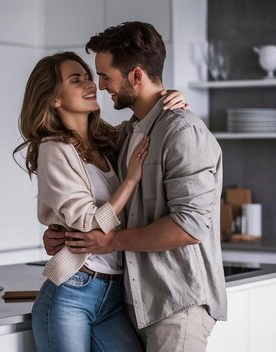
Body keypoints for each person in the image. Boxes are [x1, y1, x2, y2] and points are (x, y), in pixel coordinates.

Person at [43, 22, 227, 352]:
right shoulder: (128, 134)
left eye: (104, 76)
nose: (99, 86)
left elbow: (190, 226)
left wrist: (110, 241)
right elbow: (91, 194)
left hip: (177, 303)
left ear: (136, 76)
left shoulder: (183, 132)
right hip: (137, 302)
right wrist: (59, 230)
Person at [14, 51, 187, 351]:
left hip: (112, 293)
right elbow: (86, 224)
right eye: (75, 79)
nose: (90, 84)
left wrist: (171, 99)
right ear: (54, 98)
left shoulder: (108, 140)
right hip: (72, 292)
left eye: (89, 77)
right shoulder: (53, 149)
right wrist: (130, 180)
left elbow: (148, 121)